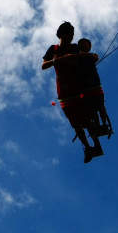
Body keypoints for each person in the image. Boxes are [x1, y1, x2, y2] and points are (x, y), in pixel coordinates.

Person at [42, 22, 104, 163]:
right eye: (70, 34)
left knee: (87, 118)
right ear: (62, 34)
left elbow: (85, 57)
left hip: (78, 86)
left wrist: (92, 57)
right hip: (64, 90)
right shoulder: (54, 49)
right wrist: (58, 60)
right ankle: (87, 148)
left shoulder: (75, 48)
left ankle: (97, 146)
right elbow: (44, 65)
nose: (72, 37)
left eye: (72, 35)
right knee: (75, 121)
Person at [75, 37, 112, 137]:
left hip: (93, 86)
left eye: (88, 45)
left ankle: (102, 125)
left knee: (99, 107)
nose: (88, 47)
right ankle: (98, 126)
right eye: (86, 45)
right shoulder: (80, 56)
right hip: (88, 87)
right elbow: (86, 58)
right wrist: (92, 57)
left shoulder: (88, 57)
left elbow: (92, 59)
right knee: (95, 108)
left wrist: (93, 58)